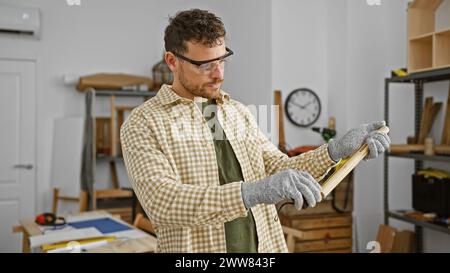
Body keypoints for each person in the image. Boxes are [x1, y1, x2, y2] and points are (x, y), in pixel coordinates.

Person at [120, 9, 390, 253]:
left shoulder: (236, 112)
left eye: (222, 60)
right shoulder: (143, 123)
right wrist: (251, 193)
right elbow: (163, 203)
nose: (219, 74)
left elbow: (278, 168)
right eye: (205, 65)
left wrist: (335, 152)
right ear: (172, 61)